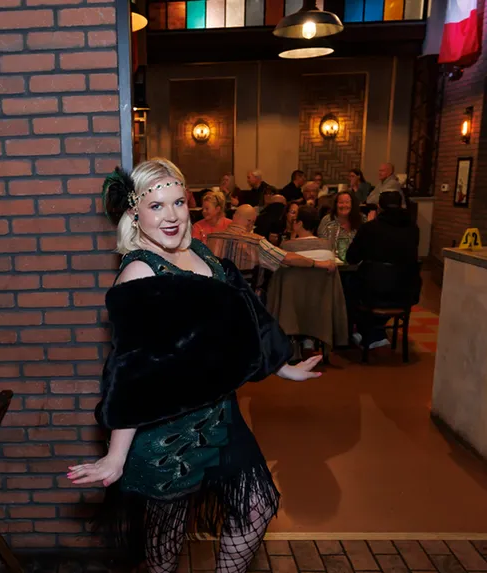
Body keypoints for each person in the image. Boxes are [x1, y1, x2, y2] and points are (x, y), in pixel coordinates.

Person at [71, 158, 326, 573]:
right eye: (156, 207)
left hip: (222, 416)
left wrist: (282, 365)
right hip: (167, 433)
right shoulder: (139, 272)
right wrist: (115, 457)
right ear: (135, 212)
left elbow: (244, 314)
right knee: (164, 554)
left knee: (257, 508)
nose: (171, 217)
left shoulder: (200, 252)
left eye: (177, 202)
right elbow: (131, 370)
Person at [345, 191, 421, 349]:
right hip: (405, 291)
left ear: (378, 208)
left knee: (347, 286)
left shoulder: (370, 228)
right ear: (401, 206)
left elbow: (351, 257)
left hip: (372, 290)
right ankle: (376, 331)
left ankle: (360, 332)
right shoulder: (413, 229)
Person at [207, 204, 337, 274]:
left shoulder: (211, 239)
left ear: (234, 217)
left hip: (218, 301)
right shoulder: (256, 242)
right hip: (248, 302)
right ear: (250, 223)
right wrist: (318, 263)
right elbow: (286, 259)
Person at [317, 190, 362, 258]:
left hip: (356, 259)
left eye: (347, 202)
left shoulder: (361, 219)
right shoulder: (327, 220)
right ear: (336, 204)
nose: (344, 205)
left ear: (352, 204)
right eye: (341, 202)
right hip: (332, 259)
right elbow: (323, 243)